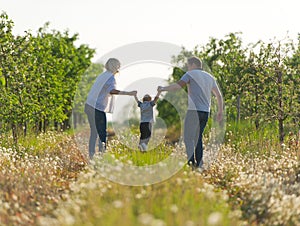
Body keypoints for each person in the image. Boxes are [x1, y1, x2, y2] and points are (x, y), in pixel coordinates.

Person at [157, 56, 223, 170]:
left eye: (188, 66)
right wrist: (220, 111)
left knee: (188, 137)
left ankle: (191, 162)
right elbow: (218, 95)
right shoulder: (210, 77)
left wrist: (163, 88)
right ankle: (200, 163)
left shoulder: (190, 74)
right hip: (205, 112)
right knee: (198, 137)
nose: (187, 68)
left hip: (193, 111)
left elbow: (177, 87)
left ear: (193, 65)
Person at [85, 58, 137, 159]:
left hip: (89, 105)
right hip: (97, 107)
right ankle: (102, 155)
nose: (119, 68)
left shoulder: (102, 75)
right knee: (102, 133)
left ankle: (91, 156)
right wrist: (128, 93)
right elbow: (112, 91)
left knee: (94, 132)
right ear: (115, 67)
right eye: (118, 66)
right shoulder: (110, 77)